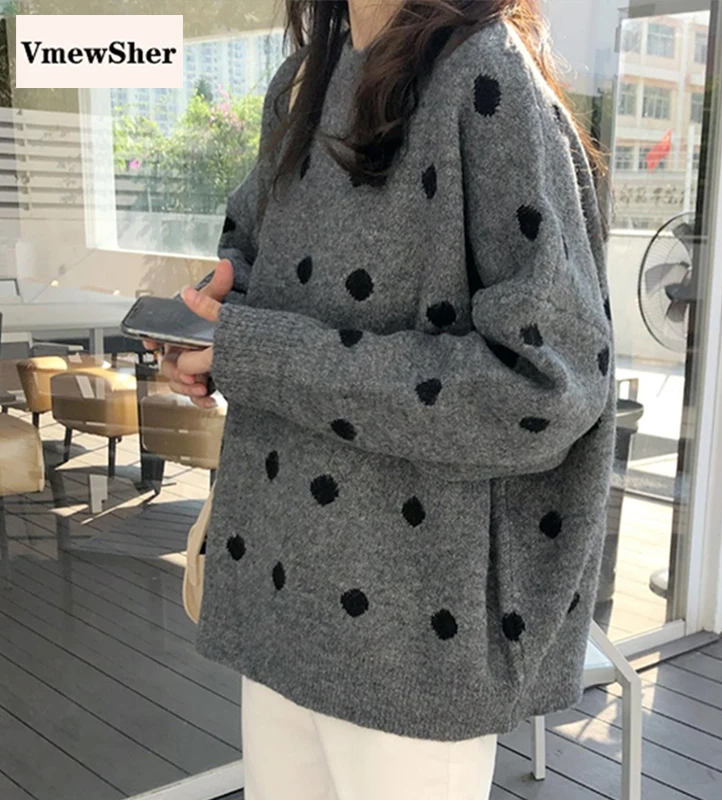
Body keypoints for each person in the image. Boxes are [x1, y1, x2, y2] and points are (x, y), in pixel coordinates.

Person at [155, 0, 616, 797]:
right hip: (278, 591)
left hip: (413, 634)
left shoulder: (485, 74)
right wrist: (214, 317)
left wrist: (257, 353)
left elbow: (545, 387)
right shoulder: (304, 79)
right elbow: (256, 250)